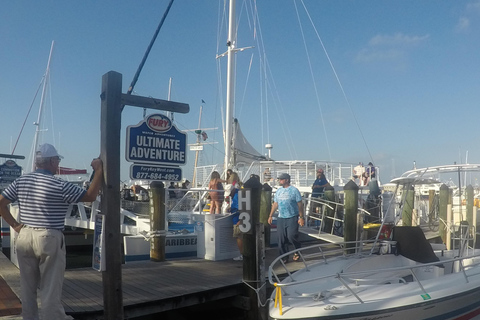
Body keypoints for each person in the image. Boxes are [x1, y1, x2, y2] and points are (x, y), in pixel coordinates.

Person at [0, 143, 104, 320]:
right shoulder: (59, 184)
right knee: (50, 287)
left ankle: (30, 317)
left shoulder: (21, 181)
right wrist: (99, 170)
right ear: (51, 162)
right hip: (49, 236)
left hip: (25, 235)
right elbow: (90, 197)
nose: (58, 164)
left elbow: (1, 203)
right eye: (57, 160)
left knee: (27, 286)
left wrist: (15, 226)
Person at [268, 173, 305, 262]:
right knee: (281, 238)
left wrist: (301, 217)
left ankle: (297, 250)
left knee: (291, 236)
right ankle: (284, 257)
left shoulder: (294, 190)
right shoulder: (279, 191)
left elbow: (299, 204)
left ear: (287, 180)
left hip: (292, 217)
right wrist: (270, 215)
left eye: (281, 179)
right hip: (281, 217)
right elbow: (275, 204)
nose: (280, 181)